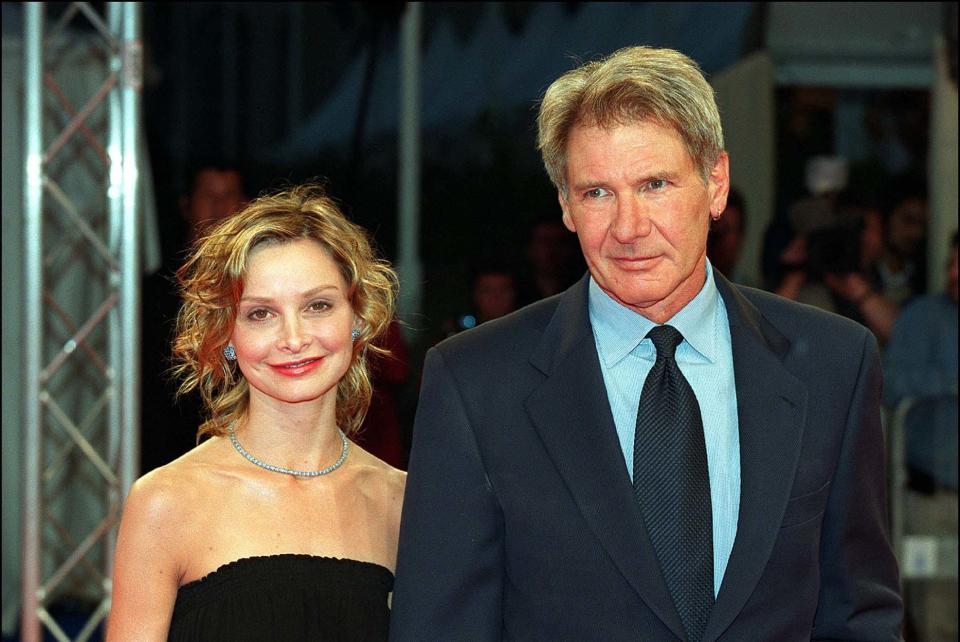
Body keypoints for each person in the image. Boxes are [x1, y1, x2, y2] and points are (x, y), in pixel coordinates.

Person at [391, 46, 902, 641]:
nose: (628, 228)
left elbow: (858, 615)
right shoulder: (476, 382)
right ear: (564, 205)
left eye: (654, 184)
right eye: (597, 193)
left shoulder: (835, 364)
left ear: (716, 184)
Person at [109, 184, 405, 640]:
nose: (293, 338)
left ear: (359, 317)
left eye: (318, 306)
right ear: (226, 334)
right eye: (260, 314)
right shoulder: (166, 501)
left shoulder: (400, 502)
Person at [140, 162, 249, 474]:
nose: (219, 207)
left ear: (244, 205)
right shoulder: (153, 291)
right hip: (165, 454)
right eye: (208, 196)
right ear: (186, 205)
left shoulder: (263, 286)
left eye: (229, 196)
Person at [883, 232, 958, 642]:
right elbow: (891, 384)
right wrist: (949, 381)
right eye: (952, 263)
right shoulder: (922, 317)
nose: (955, 273)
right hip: (934, 500)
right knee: (936, 620)